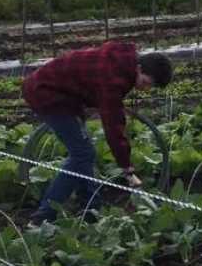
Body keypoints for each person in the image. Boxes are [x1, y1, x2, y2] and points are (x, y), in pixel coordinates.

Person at [22, 42, 173, 225]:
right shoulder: (114, 78)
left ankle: (91, 208)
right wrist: (126, 167)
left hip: (64, 95)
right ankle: (44, 215)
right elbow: (113, 123)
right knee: (83, 153)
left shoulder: (122, 62)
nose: (145, 89)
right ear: (139, 68)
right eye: (145, 82)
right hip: (46, 94)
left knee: (84, 153)